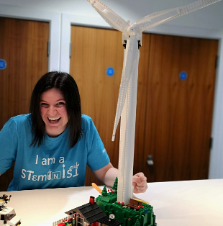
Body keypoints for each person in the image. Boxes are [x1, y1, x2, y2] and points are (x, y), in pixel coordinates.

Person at [0, 71, 147, 193]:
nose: (51, 112)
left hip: (69, 209)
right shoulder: (17, 127)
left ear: (72, 105)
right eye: (44, 104)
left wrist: (127, 181)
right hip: (24, 207)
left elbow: (105, 171)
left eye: (60, 104)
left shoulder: (85, 126)